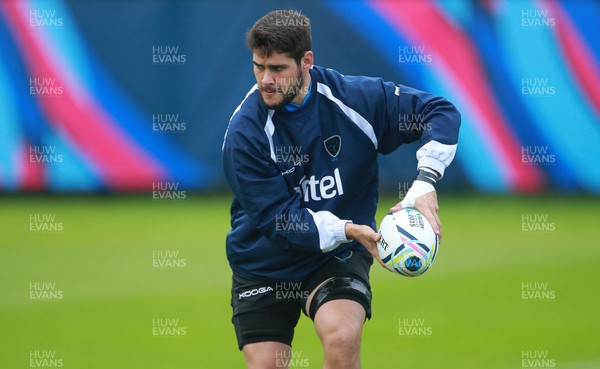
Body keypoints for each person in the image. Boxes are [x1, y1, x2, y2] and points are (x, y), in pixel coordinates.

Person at [222, 9, 460, 369]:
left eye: (278, 69)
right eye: (259, 66)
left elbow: (439, 112)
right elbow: (278, 221)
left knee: (343, 337)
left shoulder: (355, 100)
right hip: (264, 260)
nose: (265, 80)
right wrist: (346, 228)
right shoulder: (245, 133)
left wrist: (425, 182)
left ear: (306, 62)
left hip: (336, 257)